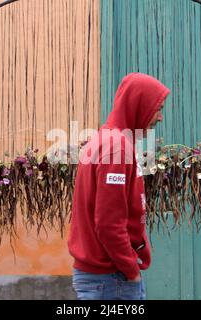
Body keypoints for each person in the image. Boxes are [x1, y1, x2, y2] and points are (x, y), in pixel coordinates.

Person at [67, 73, 170, 300]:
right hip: (110, 279)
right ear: (138, 105)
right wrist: (131, 271)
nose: (160, 117)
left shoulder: (106, 140)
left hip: (103, 277)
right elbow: (108, 223)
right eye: (157, 108)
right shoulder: (117, 148)